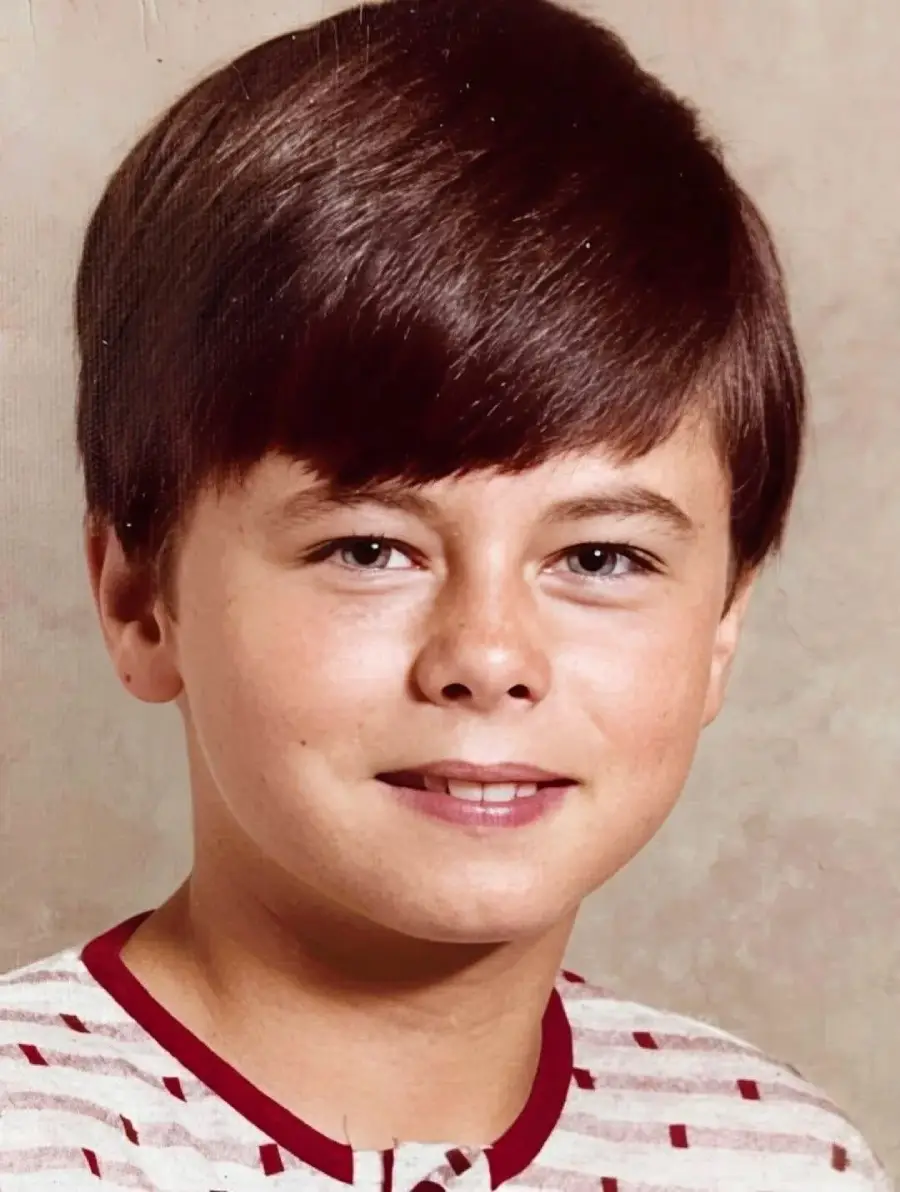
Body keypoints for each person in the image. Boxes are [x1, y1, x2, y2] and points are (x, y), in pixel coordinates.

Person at [0, 0, 891, 1188]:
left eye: (600, 558)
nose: (487, 654)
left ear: (723, 622)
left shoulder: (786, 1160)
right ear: (137, 600)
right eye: (370, 548)